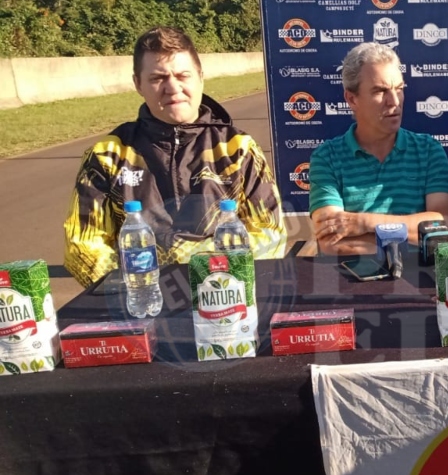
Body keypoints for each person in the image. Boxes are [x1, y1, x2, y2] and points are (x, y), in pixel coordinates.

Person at [64, 26, 287, 287]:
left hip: (226, 293)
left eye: (183, 75)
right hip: (144, 297)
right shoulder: (107, 155)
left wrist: (204, 273)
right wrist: (147, 284)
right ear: (138, 84)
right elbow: (82, 246)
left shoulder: (238, 148)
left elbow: (270, 233)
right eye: (158, 78)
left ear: (200, 78)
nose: (172, 87)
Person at [309, 43, 448, 254]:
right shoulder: (327, 158)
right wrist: (413, 235)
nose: (394, 101)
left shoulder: (429, 151)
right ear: (352, 99)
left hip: (422, 275)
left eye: (399, 89)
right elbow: (332, 242)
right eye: (380, 91)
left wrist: (364, 223)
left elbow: (443, 227)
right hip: (352, 275)